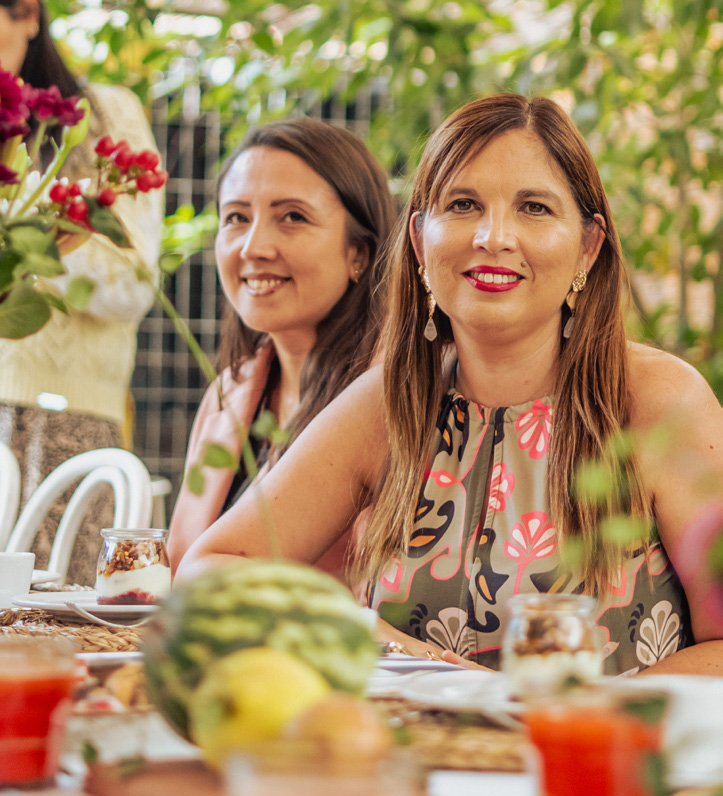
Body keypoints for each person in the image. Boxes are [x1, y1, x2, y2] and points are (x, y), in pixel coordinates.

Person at [177, 93, 723, 677]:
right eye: (463, 204)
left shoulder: (659, 400)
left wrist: (578, 717)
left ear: (588, 245)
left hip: (597, 759)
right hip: (415, 759)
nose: (493, 236)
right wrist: (362, 629)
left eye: (534, 208)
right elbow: (211, 567)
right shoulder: (388, 402)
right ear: (418, 242)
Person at [167, 117, 396, 579]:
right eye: (236, 218)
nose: (255, 246)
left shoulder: (392, 396)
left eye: (292, 216)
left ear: (360, 253)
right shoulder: (228, 394)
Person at [0, 0, 164, 585]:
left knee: (64, 643)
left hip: (65, 429)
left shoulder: (102, 115)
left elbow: (132, 284)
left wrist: (22, 232)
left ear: (27, 14)